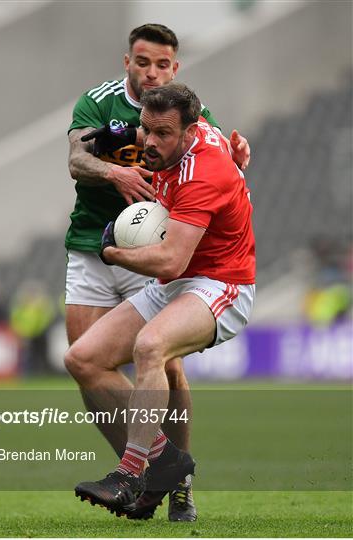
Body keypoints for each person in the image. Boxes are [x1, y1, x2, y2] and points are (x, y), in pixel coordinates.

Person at [65, 23, 251, 521]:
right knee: (83, 360)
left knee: (153, 348)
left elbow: (171, 260)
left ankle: (134, 476)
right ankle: (167, 462)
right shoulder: (136, 117)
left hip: (218, 282)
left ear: (191, 130)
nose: (149, 141)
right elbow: (77, 156)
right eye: (146, 129)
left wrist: (114, 253)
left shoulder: (202, 166)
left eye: (163, 134)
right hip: (165, 273)